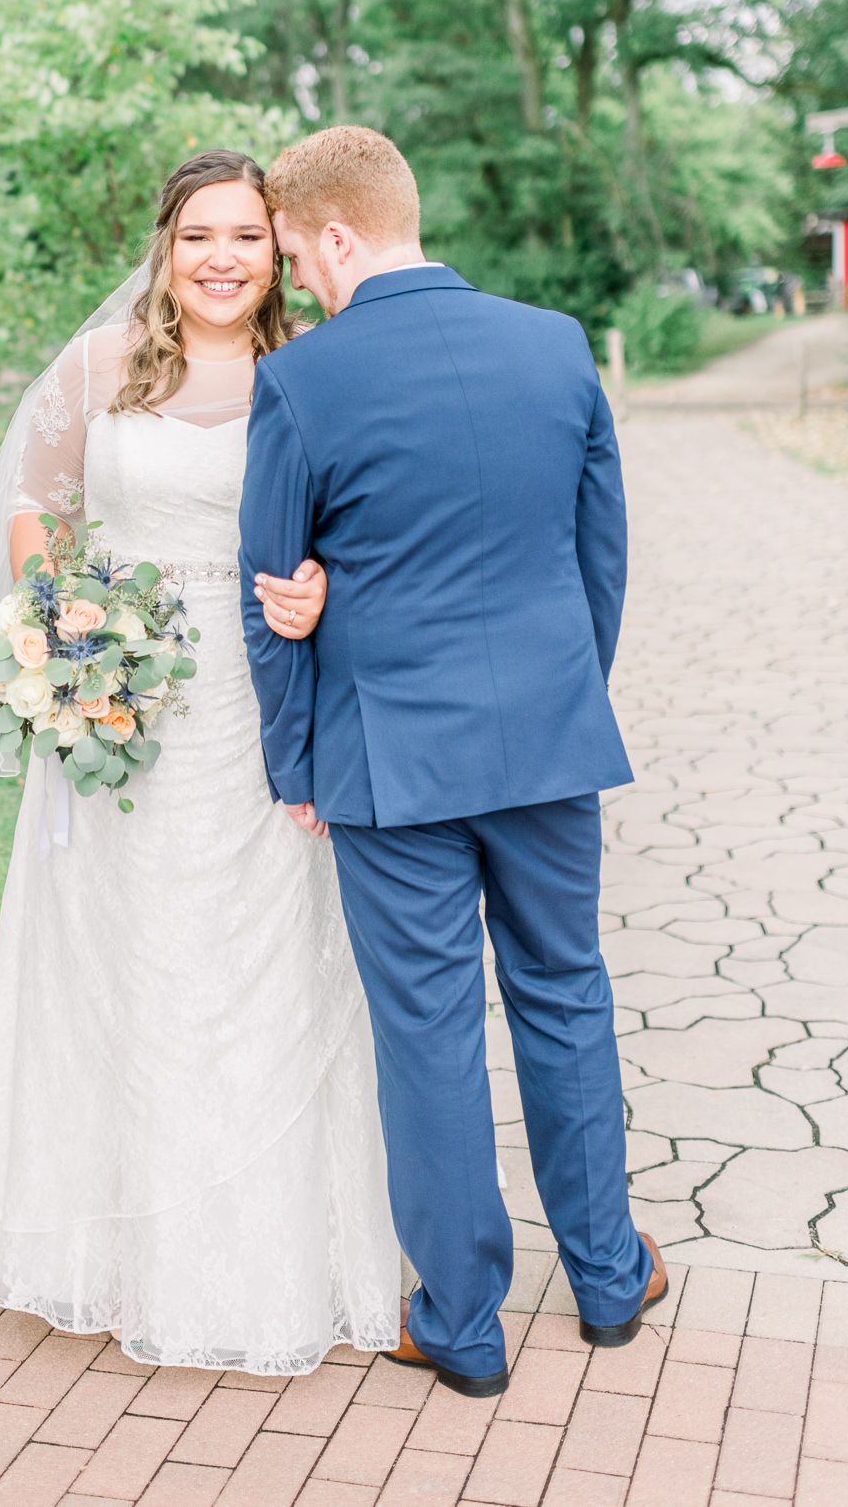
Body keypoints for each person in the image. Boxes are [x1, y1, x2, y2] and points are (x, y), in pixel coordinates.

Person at [0, 149, 400, 1374]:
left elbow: (358, 526)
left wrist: (320, 587)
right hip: (117, 702)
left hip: (256, 708)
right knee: (116, 958)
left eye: (249, 236)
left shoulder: (311, 372)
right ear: (165, 244)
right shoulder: (100, 368)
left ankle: (269, 1251)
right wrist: (63, 617)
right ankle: (109, 1247)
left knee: (255, 964)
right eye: (201, 236)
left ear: (279, 247)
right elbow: (38, 503)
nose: (224, 260)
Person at [238, 124, 665, 1400]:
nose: (300, 285)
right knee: (565, 992)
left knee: (425, 1031)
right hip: (547, 740)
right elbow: (601, 558)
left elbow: (273, 596)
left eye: (299, 260)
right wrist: (558, 696)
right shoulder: (554, 345)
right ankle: (605, 1278)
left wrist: (293, 760)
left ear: (334, 237)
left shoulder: (304, 382)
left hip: (387, 759)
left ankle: (464, 1326)